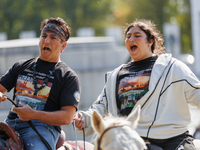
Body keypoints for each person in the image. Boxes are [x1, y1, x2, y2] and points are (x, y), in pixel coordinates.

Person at [73, 19, 199, 150]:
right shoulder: (115, 76)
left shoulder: (172, 67)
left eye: (137, 35)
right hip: (130, 139)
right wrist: (84, 118)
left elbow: (197, 93)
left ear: (150, 42)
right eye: (128, 36)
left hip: (172, 139)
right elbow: (101, 107)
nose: (131, 39)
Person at [0, 17, 81, 150]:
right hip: (9, 125)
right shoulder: (20, 66)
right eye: (44, 36)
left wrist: (33, 115)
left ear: (63, 46)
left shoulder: (68, 76)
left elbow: (67, 117)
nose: (46, 40)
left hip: (43, 128)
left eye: (53, 38)